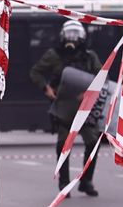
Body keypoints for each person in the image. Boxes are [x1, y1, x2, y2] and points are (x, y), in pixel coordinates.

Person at [31, 20, 103, 196]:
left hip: (85, 108)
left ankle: (86, 181)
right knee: (63, 145)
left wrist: (89, 92)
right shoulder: (53, 55)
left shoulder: (89, 56)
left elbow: (101, 76)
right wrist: (46, 88)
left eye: (75, 35)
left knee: (93, 142)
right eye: (69, 34)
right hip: (63, 107)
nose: (72, 38)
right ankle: (64, 183)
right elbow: (36, 72)